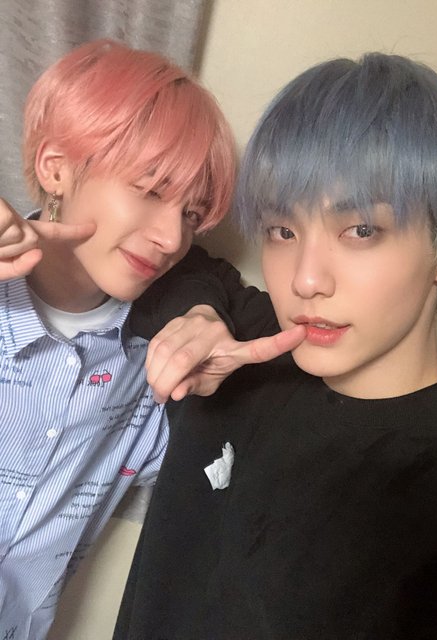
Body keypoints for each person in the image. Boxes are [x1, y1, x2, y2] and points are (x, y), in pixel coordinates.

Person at [115, 52, 437, 639]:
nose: (306, 280)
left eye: (361, 230)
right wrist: (201, 316)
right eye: (283, 231)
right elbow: (181, 271)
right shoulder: (250, 348)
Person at [0, 39, 302, 640]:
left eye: (191, 214)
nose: (171, 237)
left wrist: (203, 305)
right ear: (57, 168)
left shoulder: (159, 357)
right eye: (151, 188)